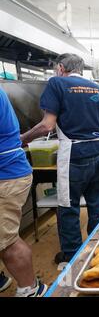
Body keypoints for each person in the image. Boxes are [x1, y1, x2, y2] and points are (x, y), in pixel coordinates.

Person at [21, 53, 99, 265]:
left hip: (74, 157)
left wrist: (23, 138)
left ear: (60, 67)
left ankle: (72, 257)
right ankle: (98, 252)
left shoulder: (57, 83)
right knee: (97, 207)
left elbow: (47, 125)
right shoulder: (98, 88)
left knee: (68, 208)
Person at [0, 87, 48, 296]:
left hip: (6, 174)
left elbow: (47, 125)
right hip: (10, 171)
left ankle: (31, 289)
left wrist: (24, 137)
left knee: (6, 240)